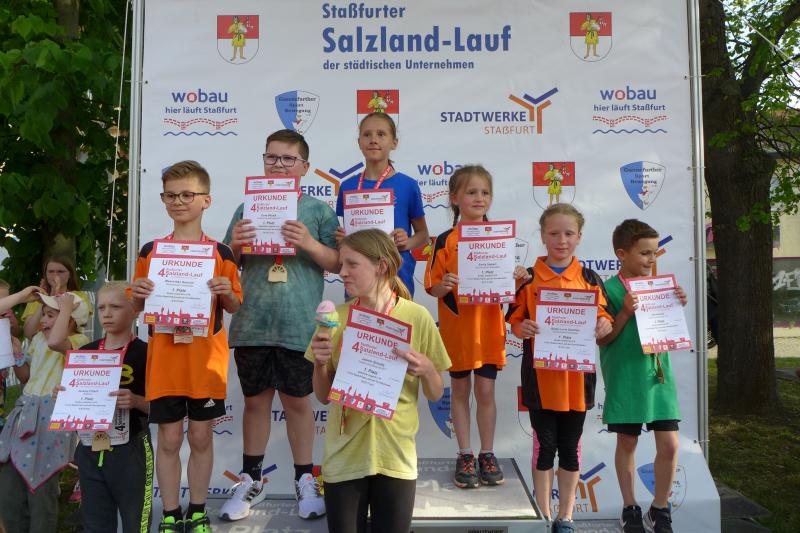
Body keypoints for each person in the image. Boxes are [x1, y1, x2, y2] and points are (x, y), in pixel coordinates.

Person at [220, 130, 338, 521]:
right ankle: (250, 480)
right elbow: (226, 264)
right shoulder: (245, 207)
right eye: (271, 157)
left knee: (297, 403)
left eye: (288, 159)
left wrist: (309, 243)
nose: (279, 165)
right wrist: (235, 246)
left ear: (305, 166)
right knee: (255, 402)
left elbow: (338, 262)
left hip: (298, 323)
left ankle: (306, 479)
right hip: (253, 322)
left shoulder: (318, 211)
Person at [307, 229, 450, 533]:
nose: (342, 272)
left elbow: (436, 393)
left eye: (352, 264)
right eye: (341, 264)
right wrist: (320, 365)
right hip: (344, 457)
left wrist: (427, 369)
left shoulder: (417, 316)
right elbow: (322, 396)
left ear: (381, 266)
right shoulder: (335, 317)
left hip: (395, 455)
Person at [132, 160, 242, 533]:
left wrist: (226, 292)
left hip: (205, 363)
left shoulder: (221, 252)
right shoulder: (151, 251)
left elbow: (234, 306)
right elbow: (136, 306)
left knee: (199, 436)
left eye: (187, 195)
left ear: (206, 200)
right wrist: (139, 293)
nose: (178, 202)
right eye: (170, 195)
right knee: (168, 439)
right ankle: (169, 513)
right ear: (163, 199)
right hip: (164, 363)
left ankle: (197, 511)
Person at [507, 203, 613, 533]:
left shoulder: (589, 278)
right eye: (554, 233)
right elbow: (514, 320)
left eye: (568, 233)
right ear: (542, 235)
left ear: (579, 236)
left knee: (570, 449)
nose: (561, 240)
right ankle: (543, 516)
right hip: (540, 380)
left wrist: (604, 325)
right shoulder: (528, 278)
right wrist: (521, 328)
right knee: (544, 447)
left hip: (577, 381)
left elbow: (605, 318)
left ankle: (565, 517)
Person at [424, 165, 529, 489]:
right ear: (455, 198)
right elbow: (432, 287)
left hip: (488, 329)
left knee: (485, 391)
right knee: (459, 391)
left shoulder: (499, 238)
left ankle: (487, 453)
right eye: (471, 192)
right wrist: (444, 284)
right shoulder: (444, 240)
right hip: (457, 329)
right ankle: (465, 454)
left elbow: (506, 287)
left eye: (485, 192)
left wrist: (517, 277)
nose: (479, 198)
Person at [597, 219, 686, 533]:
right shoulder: (607, 289)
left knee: (670, 445)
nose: (651, 259)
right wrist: (624, 312)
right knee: (627, 440)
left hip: (659, 376)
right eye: (644, 253)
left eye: (654, 253)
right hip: (626, 376)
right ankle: (630, 507)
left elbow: (669, 328)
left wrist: (676, 303)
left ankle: (659, 509)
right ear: (622, 254)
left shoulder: (660, 286)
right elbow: (603, 339)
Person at [0, 290, 90, 533]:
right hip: (25, 414)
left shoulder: (79, 342)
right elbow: (26, 377)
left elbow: (56, 342)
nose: (43, 320)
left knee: (41, 489)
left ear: (71, 320)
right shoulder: (39, 340)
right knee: (9, 486)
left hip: (51, 420)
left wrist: (66, 307)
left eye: (51, 316)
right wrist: (18, 355)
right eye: (45, 314)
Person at [69, 281, 153, 533]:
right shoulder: (85, 352)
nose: (106, 313)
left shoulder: (147, 353)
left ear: (134, 311)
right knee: (95, 524)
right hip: (89, 448)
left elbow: (164, 408)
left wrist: (137, 401)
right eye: (102, 307)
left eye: (115, 307)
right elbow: (75, 404)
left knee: (136, 524)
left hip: (132, 448)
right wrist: (64, 396)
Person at [336, 112, 429, 296]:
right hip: (357, 279)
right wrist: (343, 240)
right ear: (359, 143)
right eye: (367, 134)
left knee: (397, 315)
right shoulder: (347, 186)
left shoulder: (408, 185)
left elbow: (423, 235)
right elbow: (347, 238)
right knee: (358, 315)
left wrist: (407, 242)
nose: (373, 140)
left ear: (394, 143)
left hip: (396, 278)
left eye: (381, 134)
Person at [21, 254, 92, 340]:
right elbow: (28, 333)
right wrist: (46, 299)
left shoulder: (79, 296)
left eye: (60, 271)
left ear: (70, 274)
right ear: (45, 274)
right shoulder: (37, 298)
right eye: (51, 271)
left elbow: (79, 325)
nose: (55, 275)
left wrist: (55, 294)